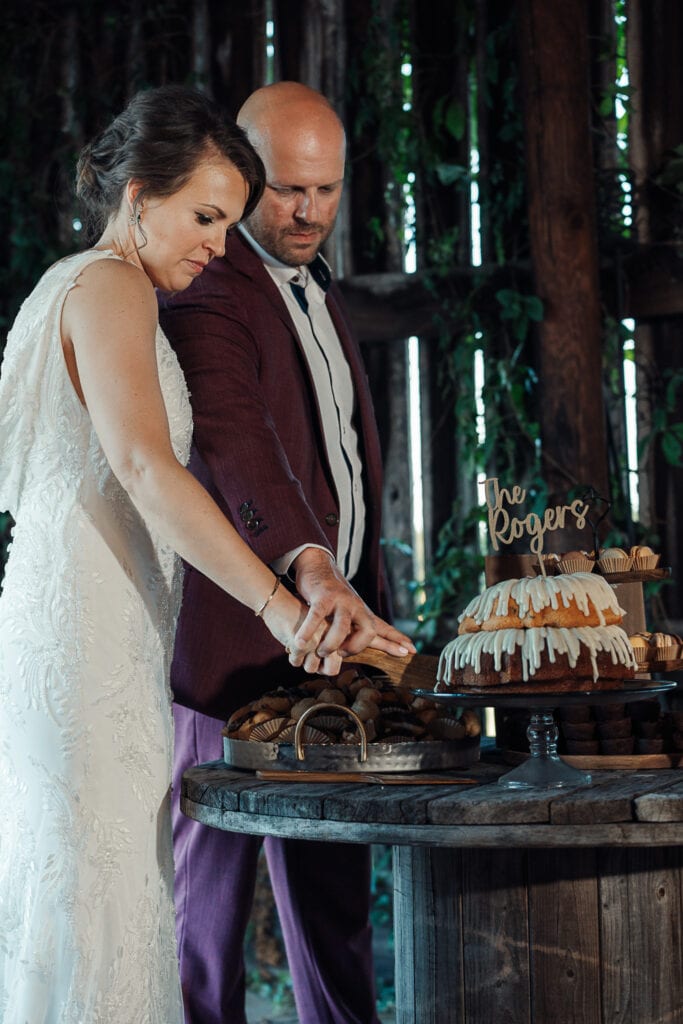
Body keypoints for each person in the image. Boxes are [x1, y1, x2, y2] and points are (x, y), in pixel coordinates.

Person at [0, 84, 405, 1024]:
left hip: (90, 635)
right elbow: (148, 468)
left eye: (228, 221)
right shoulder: (108, 286)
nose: (220, 246)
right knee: (108, 904)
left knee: (93, 907)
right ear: (138, 196)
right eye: (206, 216)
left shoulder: (63, 285)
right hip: (91, 648)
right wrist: (278, 603)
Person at [159, 81, 414, 1024]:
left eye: (326, 189)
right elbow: (232, 437)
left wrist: (352, 588)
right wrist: (308, 563)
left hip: (328, 652)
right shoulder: (212, 286)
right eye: (284, 190)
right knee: (207, 916)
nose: (307, 211)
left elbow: (338, 452)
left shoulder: (317, 282)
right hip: (231, 654)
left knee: (334, 902)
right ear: (240, 174)